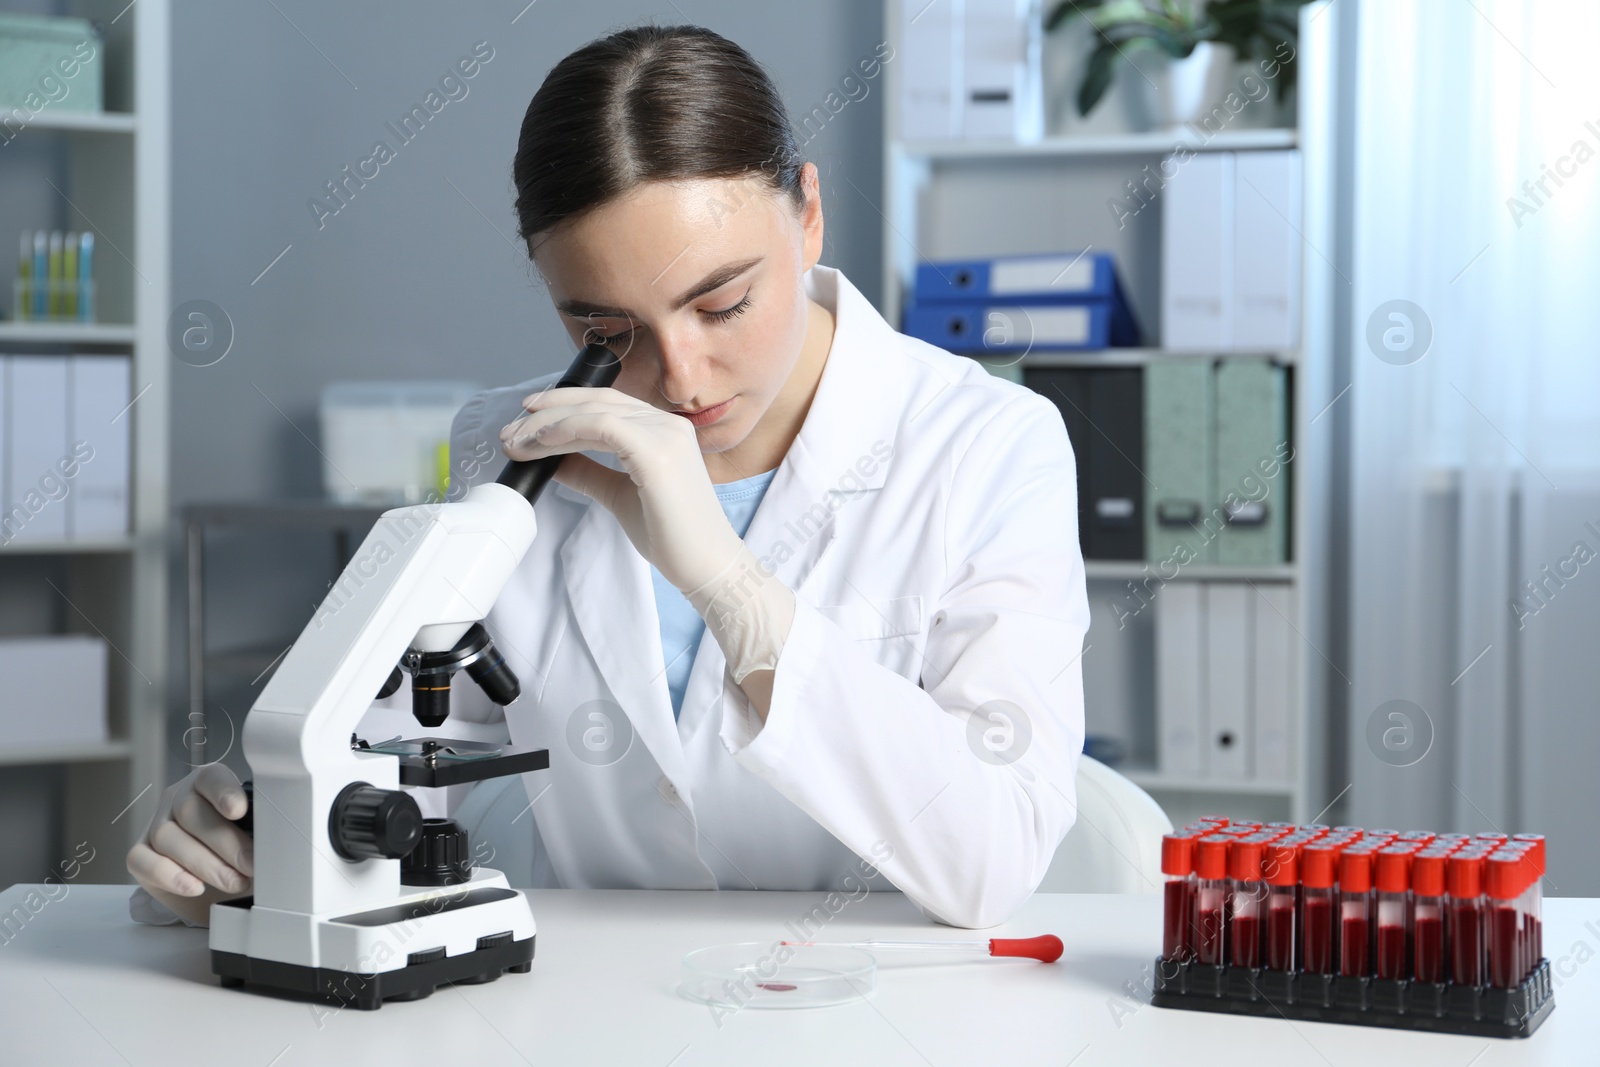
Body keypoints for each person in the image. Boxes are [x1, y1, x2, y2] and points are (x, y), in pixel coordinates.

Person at [128, 24, 1089, 931]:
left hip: (883, 1012)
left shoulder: (987, 445)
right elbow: (395, 754)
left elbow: (995, 857)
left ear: (809, 215)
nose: (678, 377)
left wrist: (727, 581)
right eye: (604, 334)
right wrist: (258, 838)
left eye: (723, 303)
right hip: (595, 1012)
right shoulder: (513, 447)